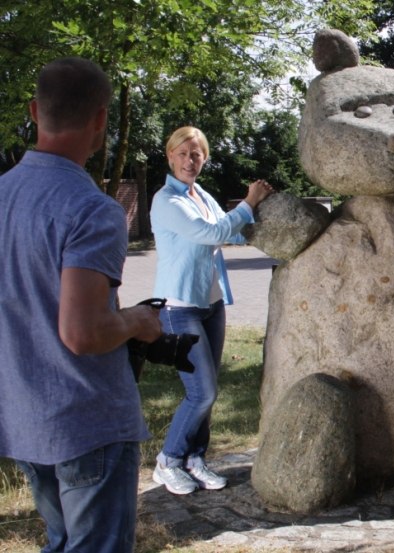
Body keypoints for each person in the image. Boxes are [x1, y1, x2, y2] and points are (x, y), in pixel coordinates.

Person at [0, 57, 162, 551]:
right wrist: (137, 320)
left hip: (23, 416)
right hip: (86, 422)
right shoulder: (91, 208)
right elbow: (84, 333)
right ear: (100, 119)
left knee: (61, 541)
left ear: (33, 111)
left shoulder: (3, 194)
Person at [150, 126, 273, 494]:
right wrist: (248, 204)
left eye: (197, 154)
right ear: (170, 156)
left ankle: (194, 459)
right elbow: (210, 233)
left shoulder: (200, 194)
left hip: (211, 304)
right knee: (201, 392)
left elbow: (230, 232)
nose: (190, 161)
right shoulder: (165, 201)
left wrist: (262, 225)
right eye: (184, 153)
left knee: (209, 389)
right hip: (179, 308)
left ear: (205, 158)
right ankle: (168, 460)